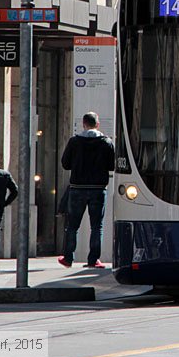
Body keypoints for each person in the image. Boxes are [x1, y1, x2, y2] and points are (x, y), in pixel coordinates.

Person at [59, 111, 115, 269]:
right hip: (98, 189)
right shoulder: (106, 142)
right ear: (98, 124)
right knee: (96, 226)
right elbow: (112, 165)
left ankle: (68, 258)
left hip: (77, 188)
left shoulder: (74, 142)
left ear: (83, 124)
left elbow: (65, 164)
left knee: (72, 226)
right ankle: (93, 260)